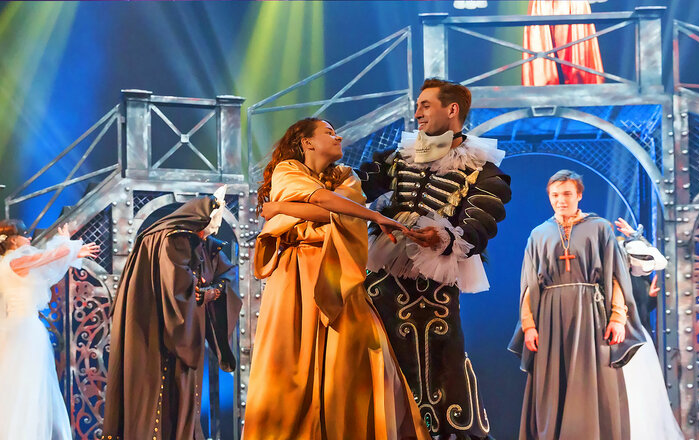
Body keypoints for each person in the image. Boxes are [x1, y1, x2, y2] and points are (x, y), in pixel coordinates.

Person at [242, 118, 430, 440]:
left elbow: (339, 210)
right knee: (291, 364)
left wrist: (283, 207)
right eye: (328, 132)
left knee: (362, 358)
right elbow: (325, 203)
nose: (338, 136)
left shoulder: (346, 176)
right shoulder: (287, 169)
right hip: (296, 275)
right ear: (307, 142)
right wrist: (372, 215)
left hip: (339, 274)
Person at [358, 78, 511, 439]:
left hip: (435, 279)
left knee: (437, 362)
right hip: (383, 275)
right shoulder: (399, 157)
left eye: (425, 105)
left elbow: (481, 220)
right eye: (418, 105)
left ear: (452, 110)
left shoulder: (480, 166)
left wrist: (443, 238)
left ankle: (440, 431)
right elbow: (358, 186)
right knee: (380, 357)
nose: (417, 113)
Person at [508, 170, 648, 440]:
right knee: (552, 381)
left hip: (591, 315)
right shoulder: (538, 234)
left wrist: (618, 318)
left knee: (593, 378)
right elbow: (529, 285)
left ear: (579, 195)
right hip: (550, 317)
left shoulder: (600, 228)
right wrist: (529, 325)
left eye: (567, 194)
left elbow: (617, 275)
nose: (561, 200)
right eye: (555, 195)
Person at [102, 187, 242, 440]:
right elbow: (179, 291)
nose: (217, 225)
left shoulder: (203, 244)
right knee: (156, 397)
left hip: (178, 329)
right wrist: (202, 294)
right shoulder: (174, 239)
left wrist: (215, 291)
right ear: (200, 217)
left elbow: (226, 276)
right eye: (215, 217)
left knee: (181, 396)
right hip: (155, 332)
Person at [0, 220, 99, 440]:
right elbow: (48, 257)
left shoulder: (9, 264)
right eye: (24, 234)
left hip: (19, 329)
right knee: (28, 386)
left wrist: (72, 253)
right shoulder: (14, 262)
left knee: (24, 385)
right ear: (12, 240)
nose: (29, 238)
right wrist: (66, 243)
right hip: (24, 331)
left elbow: (47, 266)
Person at [614, 218, 684, 440]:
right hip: (609, 335)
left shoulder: (632, 270)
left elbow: (658, 262)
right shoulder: (598, 270)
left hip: (633, 335)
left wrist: (635, 237)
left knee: (639, 391)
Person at [614, 217, 667, 334]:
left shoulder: (638, 273)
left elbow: (660, 262)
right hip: (617, 329)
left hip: (639, 331)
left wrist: (637, 238)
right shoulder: (607, 270)